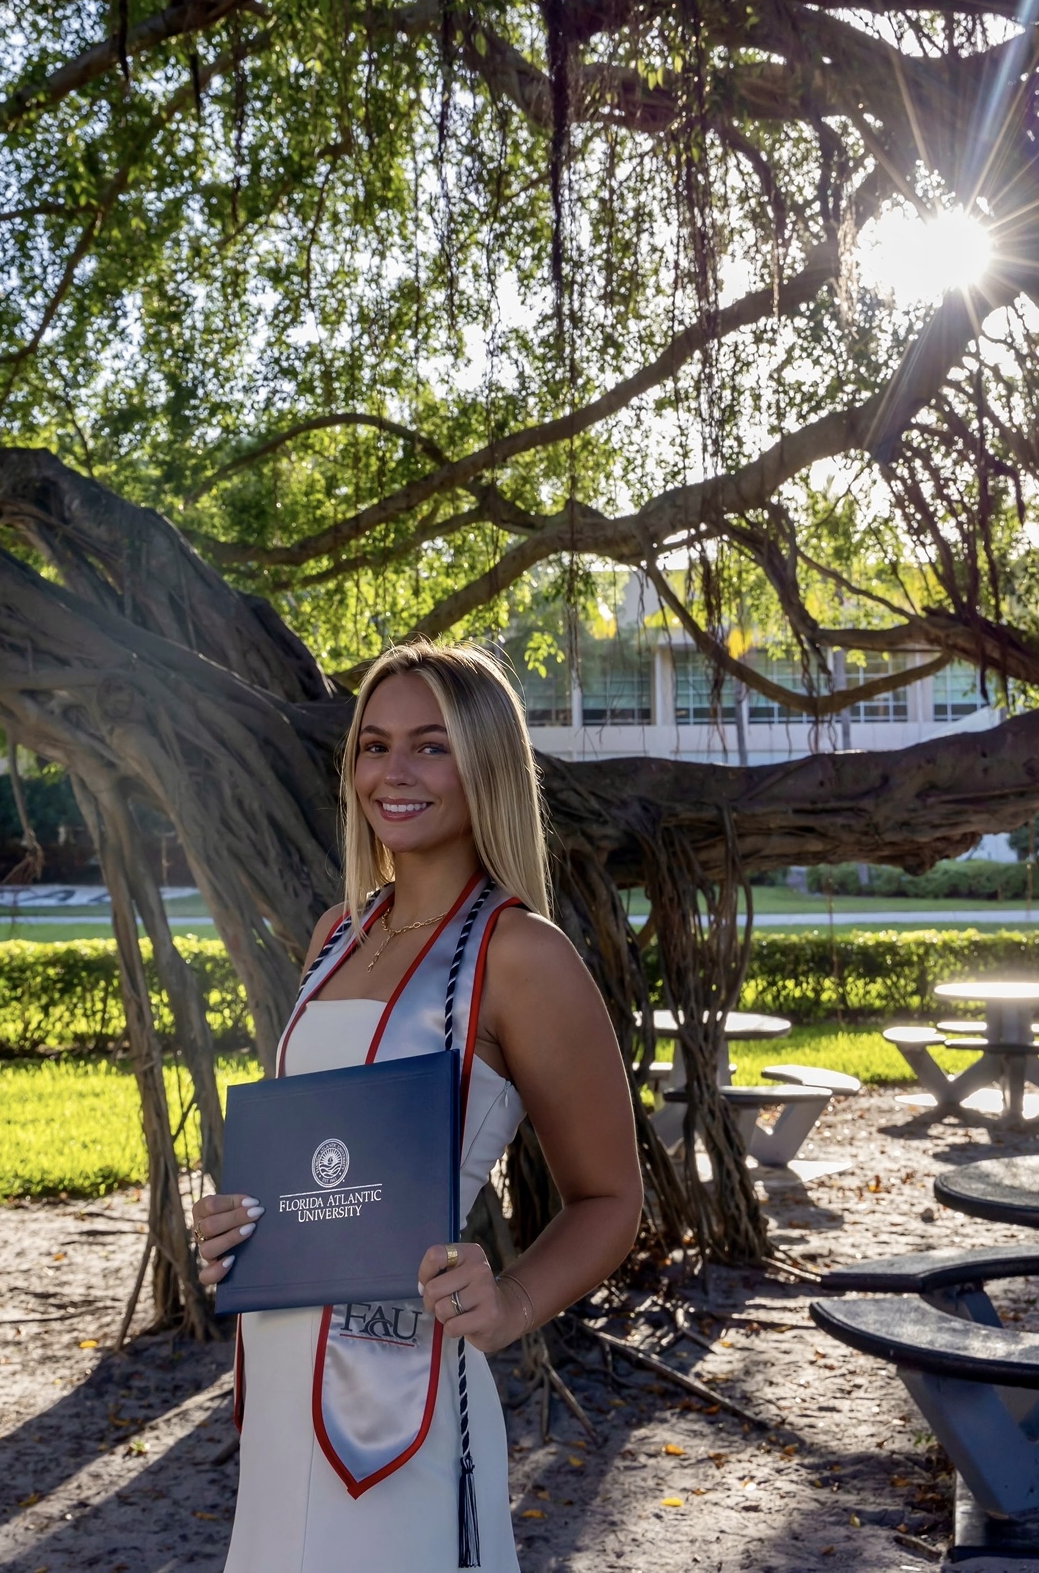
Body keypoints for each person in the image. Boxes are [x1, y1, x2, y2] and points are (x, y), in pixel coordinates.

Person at [193, 640, 643, 1572]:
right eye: (373, 745)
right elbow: (321, 1158)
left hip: (402, 1385)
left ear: (485, 766)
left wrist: (511, 1301)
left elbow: (610, 1198)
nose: (392, 773)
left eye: (430, 747)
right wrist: (239, 1226)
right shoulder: (334, 934)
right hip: (279, 1375)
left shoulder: (521, 955)